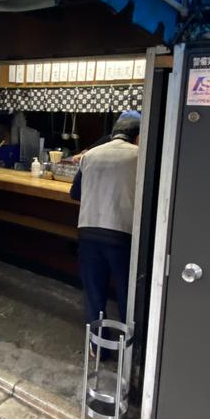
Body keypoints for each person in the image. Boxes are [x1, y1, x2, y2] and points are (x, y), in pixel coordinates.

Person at [69, 111, 141, 325]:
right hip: (122, 234)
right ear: (138, 136)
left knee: (94, 294)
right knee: (126, 293)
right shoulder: (140, 156)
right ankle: (130, 348)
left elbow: (75, 193)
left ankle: (97, 345)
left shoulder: (90, 155)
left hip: (88, 232)